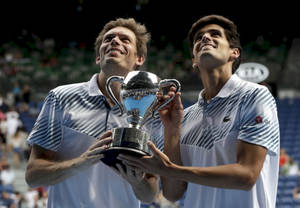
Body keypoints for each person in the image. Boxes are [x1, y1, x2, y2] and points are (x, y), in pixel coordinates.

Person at [118, 14, 280, 208]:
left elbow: (246, 176)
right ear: (194, 60)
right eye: (199, 37)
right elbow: (173, 193)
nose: (205, 38)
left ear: (234, 53)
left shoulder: (254, 95)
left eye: (215, 34)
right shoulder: (186, 117)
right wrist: (171, 130)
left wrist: (170, 169)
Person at [25, 18, 162, 208]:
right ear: (98, 56)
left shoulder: (149, 110)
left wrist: (138, 181)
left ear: (140, 59)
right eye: (109, 39)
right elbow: (33, 176)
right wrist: (80, 163)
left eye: (125, 39)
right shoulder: (62, 97)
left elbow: (149, 195)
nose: (115, 41)